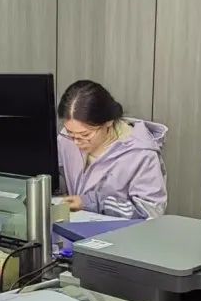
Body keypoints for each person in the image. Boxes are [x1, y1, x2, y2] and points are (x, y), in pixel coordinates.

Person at [57, 80, 168, 218]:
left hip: (121, 231)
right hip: (75, 225)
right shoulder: (66, 139)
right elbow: (57, 178)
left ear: (108, 121)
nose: (76, 141)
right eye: (70, 133)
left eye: (85, 135)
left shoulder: (141, 154)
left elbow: (151, 211)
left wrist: (93, 203)